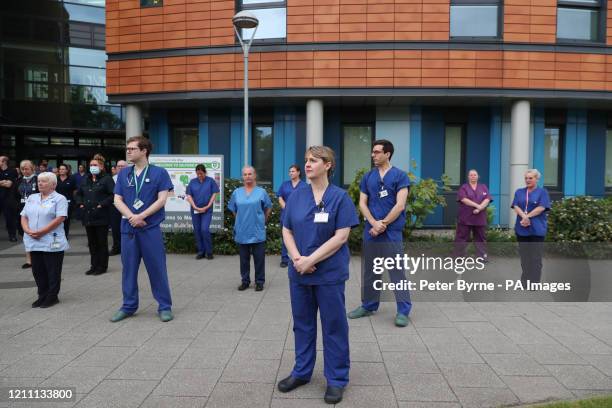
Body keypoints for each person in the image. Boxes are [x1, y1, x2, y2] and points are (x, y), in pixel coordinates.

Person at [277, 146, 359, 404]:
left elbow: (342, 236)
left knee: (334, 325)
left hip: (328, 274)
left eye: (313, 160)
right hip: (299, 273)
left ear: (328, 165)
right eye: (306, 161)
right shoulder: (296, 196)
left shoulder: (339, 198)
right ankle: (302, 372)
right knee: (302, 324)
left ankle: (336, 379)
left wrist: (311, 259)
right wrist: (297, 259)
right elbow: (286, 230)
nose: (308, 165)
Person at [347, 139, 412, 327]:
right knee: (370, 271)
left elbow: (400, 205)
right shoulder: (368, 177)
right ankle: (368, 305)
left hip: (391, 232)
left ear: (387, 154)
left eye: (377, 152)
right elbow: (362, 203)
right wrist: (374, 223)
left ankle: (403, 311)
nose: (373, 155)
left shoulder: (400, 176)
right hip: (372, 231)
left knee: (396, 272)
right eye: (373, 152)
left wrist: (382, 224)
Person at [110, 136, 174, 323]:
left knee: (157, 268)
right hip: (128, 228)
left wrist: (142, 216)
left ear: (144, 150)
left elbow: (162, 199)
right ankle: (128, 306)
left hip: (150, 229)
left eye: (132, 148)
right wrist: (132, 217)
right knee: (128, 269)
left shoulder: (159, 173)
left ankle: (164, 306)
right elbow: (117, 200)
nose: (128, 151)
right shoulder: (124, 174)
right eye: (127, 148)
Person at [20, 172, 69, 308]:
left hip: (50, 240)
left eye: (44, 181)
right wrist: (27, 230)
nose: (40, 183)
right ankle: (42, 295)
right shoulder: (32, 197)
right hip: (33, 239)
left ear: (53, 184)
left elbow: (60, 218)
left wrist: (42, 232)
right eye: (39, 181)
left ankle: (52, 296)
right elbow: (24, 216)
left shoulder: (60, 199)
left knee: (52, 270)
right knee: (38, 270)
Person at [228, 166, 272, 291]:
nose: (247, 176)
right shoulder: (237, 192)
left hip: (257, 230)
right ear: (243, 176)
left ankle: (259, 282)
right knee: (244, 260)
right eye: (245, 174)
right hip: (242, 230)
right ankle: (245, 281)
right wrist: (240, 220)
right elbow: (234, 210)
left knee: (259, 259)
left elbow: (268, 208)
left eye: (250, 174)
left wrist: (262, 220)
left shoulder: (261, 192)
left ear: (255, 175)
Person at [75, 154, 114, 276]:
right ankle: (94, 265)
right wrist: (80, 203)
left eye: (95, 165)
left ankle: (102, 266)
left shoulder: (107, 179)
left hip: (101, 215)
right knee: (92, 243)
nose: (92, 167)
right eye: (91, 165)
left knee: (101, 242)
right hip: (88, 216)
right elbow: (79, 193)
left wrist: (101, 204)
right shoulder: (85, 179)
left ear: (101, 167)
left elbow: (113, 195)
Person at [511, 169, 551, 286]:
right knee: (524, 257)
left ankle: (534, 282)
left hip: (537, 230)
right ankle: (524, 281)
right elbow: (515, 206)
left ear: (536, 179)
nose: (528, 180)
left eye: (530, 178)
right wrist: (524, 217)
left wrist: (526, 216)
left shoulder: (542, 192)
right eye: (526, 178)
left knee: (535, 257)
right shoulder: (519, 192)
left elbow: (542, 207)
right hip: (522, 229)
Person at [453, 169, 492, 260]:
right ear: (468, 177)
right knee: (462, 237)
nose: (473, 176)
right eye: (471, 175)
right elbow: (463, 199)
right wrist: (477, 206)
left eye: (475, 175)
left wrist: (479, 208)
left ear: (478, 176)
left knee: (480, 238)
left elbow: (487, 199)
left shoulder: (483, 187)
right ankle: (459, 256)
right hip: (465, 217)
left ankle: (481, 256)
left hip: (480, 217)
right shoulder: (464, 187)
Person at [186, 164, 220, 260]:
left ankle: (209, 252)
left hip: (207, 210)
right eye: (198, 174)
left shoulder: (210, 181)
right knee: (197, 230)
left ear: (205, 172)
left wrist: (207, 206)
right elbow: (189, 195)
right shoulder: (193, 182)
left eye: (201, 173)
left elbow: (214, 194)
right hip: (195, 210)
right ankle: (201, 251)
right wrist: (195, 207)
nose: (199, 175)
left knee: (204, 229)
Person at [277, 164, 306, 267]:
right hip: (285, 215)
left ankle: (297, 258)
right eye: (290, 172)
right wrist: (287, 208)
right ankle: (284, 259)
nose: (291, 173)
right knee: (286, 237)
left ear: (298, 172)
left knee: (299, 237)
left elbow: (306, 201)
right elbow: (280, 197)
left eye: (293, 171)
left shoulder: (304, 186)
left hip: (299, 215)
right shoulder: (285, 185)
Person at [15, 160, 38, 269]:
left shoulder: (38, 179)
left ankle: (38, 257)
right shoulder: (19, 180)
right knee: (26, 235)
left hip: (36, 211)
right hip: (23, 211)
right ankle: (29, 260)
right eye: (22, 169)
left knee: (36, 234)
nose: (25, 171)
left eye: (27, 168)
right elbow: (15, 196)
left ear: (32, 168)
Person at [110, 160, 128, 256]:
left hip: (128, 207)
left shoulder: (131, 177)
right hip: (115, 207)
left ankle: (128, 248)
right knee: (115, 228)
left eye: (123, 166)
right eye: (119, 166)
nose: (120, 168)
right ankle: (116, 247)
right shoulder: (112, 179)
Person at [56, 164, 78, 238]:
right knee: (58, 219)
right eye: (60, 169)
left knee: (66, 220)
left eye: (63, 169)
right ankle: (58, 235)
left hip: (68, 203)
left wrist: (73, 200)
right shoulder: (55, 179)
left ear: (66, 170)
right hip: (57, 203)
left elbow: (75, 190)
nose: (61, 170)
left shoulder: (71, 179)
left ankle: (65, 235)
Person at [0, 155, 18, 242]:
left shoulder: (12, 171)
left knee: (10, 218)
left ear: (4, 162)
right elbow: (6, 183)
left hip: (8, 198)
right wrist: (3, 182)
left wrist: (4, 182)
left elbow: (9, 184)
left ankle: (12, 235)